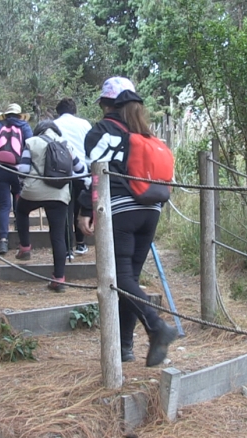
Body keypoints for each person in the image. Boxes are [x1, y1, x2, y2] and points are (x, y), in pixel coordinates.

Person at [77, 76, 178, 367]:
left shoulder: (102, 130)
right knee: (129, 280)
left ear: (106, 103)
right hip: (151, 209)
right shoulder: (144, 133)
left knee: (119, 278)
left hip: (121, 210)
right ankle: (125, 347)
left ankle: (157, 326)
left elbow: (94, 174)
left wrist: (86, 209)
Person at [15, 120, 85, 292]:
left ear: (38, 130)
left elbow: (23, 170)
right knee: (58, 235)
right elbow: (80, 167)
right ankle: (59, 278)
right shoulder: (65, 144)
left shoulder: (31, 142)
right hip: (59, 194)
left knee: (21, 210)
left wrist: (25, 184)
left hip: (33, 191)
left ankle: (25, 246)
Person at [0, 103, 33, 254]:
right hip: (19, 170)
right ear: (20, 115)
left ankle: (3, 242)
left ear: (5, 115)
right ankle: (21, 234)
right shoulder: (24, 127)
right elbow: (31, 147)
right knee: (19, 202)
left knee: (4, 205)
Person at [54, 97, 92, 257]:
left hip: (61, 174)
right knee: (80, 208)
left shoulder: (54, 125)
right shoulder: (85, 124)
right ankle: (81, 244)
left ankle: (68, 249)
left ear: (58, 111)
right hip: (82, 172)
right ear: (74, 110)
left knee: (65, 210)